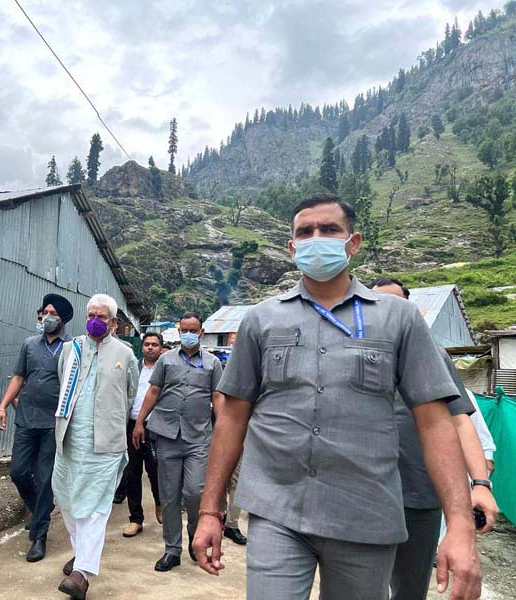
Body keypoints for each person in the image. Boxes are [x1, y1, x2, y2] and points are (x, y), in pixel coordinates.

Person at [193, 194, 482, 600]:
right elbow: (233, 416)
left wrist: (460, 526)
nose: (316, 239)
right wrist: (210, 511)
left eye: (329, 230)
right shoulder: (262, 319)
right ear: (292, 248)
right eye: (304, 232)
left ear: (353, 241)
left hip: (366, 513)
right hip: (277, 508)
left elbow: (435, 422)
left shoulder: (398, 319)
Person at [371, 278, 498, 600]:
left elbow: (460, 422)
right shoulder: (352, 355)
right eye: (376, 304)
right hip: (364, 493)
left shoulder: (433, 356)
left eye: (395, 304)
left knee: (410, 589)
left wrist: (480, 484)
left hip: (419, 495)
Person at [52, 294, 139, 600]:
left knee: (96, 506)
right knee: (67, 498)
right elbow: (64, 381)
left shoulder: (125, 354)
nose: (95, 321)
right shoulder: (70, 349)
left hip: (106, 443)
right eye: (92, 315)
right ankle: (82, 555)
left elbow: (130, 393)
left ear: (113, 322)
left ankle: (82, 574)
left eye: (102, 317)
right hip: (70, 439)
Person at [133, 312, 224, 572]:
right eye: (184, 329)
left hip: (198, 437)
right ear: (178, 329)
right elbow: (153, 391)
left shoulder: (213, 363)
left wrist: (223, 430)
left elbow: (217, 398)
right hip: (167, 436)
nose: (188, 334)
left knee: (195, 492)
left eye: (193, 330)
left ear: (201, 332)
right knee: (170, 496)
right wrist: (140, 422)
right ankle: (172, 550)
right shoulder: (165, 360)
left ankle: (197, 539)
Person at [0, 293, 74, 563]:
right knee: (18, 472)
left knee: (44, 477)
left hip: (54, 422)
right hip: (27, 418)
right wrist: (3, 406)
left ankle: (39, 536)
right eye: (44, 312)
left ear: (62, 318)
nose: (46, 317)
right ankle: (40, 509)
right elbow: (19, 376)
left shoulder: (72, 348)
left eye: (52, 313)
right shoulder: (30, 344)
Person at [121, 332, 164, 537]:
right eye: (147, 344)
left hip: (155, 426)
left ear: (161, 348)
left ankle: (159, 502)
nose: (149, 347)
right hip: (131, 425)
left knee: (156, 469)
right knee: (132, 472)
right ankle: (136, 519)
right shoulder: (133, 367)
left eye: (154, 344)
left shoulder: (165, 369)